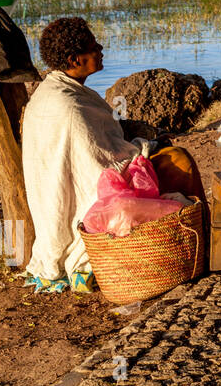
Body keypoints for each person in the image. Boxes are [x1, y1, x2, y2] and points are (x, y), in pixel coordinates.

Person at [22, 18, 203, 294]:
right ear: (74, 59)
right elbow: (104, 170)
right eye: (93, 47)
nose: (101, 49)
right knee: (179, 160)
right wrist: (147, 148)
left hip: (53, 213)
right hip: (86, 213)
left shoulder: (52, 91)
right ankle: (199, 241)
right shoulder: (71, 106)